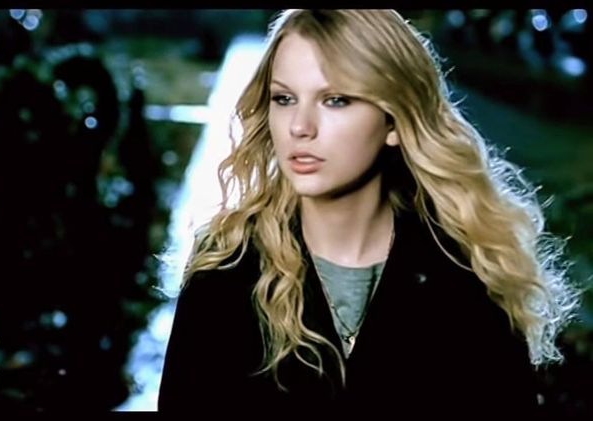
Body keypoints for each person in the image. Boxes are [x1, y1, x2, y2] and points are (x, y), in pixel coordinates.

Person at [157, 9, 579, 415]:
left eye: (335, 100)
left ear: (394, 121)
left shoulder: (469, 273)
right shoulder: (226, 265)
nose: (300, 126)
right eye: (284, 98)